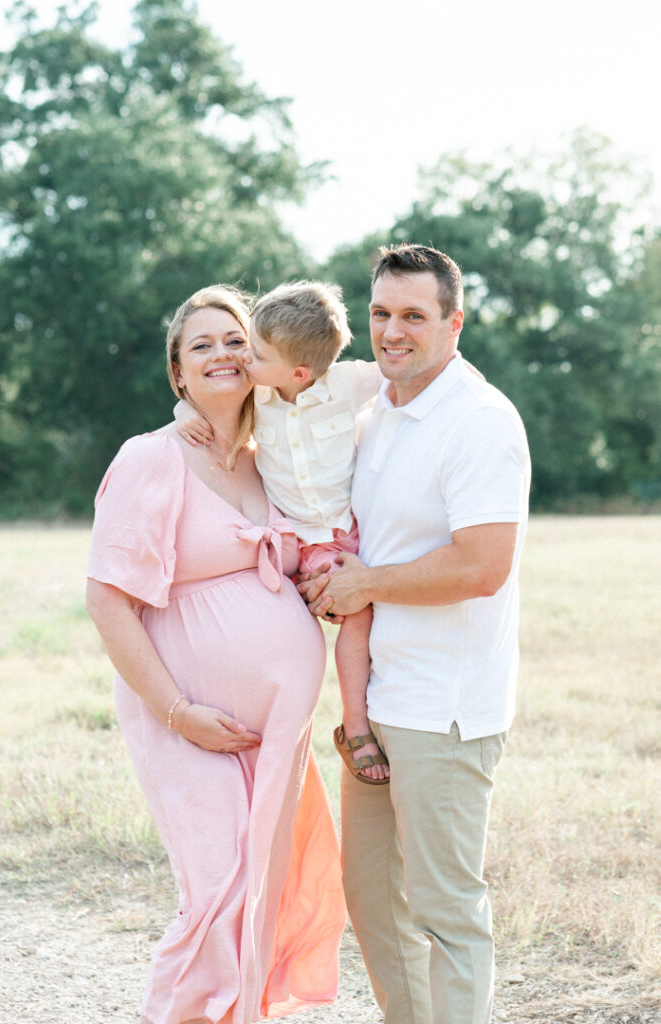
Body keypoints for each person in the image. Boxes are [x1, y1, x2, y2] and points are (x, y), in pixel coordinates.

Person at [86, 285, 345, 1024]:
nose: (223, 354)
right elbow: (108, 600)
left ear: (263, 357)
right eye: (201, 345)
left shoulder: (279, 459)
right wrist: (179, 713)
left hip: (273, 729)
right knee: (217, 890)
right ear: (178, 374)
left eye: (236, 340)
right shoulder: (152, 458)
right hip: (185, 716)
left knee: (261, 887)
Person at [300, 244, 532, 1024]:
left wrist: (366, 583)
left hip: (446, 708)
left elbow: (482, 565)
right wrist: (334, 576)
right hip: (378, 701)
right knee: (370, 901)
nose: (391, 331)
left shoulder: (479, 420)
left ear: (452, 323)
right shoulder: (375, 414)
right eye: (379, 314)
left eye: (412, 316)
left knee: (443, 909)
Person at [176, 281, 389, 783]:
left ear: (298, 371)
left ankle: (355, 722)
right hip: (293, 536)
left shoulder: (349, 383)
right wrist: (184, 408)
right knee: (323, 615)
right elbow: (211, 398)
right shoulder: (260, 390)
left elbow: (413, 373)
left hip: (345, 531)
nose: (244, 358)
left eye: (255, 351)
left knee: (360, 621)